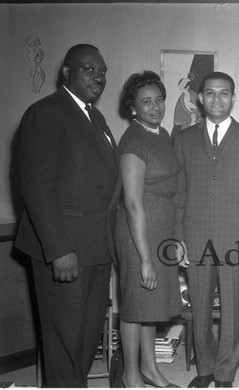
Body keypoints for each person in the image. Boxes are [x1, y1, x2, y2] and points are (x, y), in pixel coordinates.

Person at [14, 43, 121, 387]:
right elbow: (38, 188)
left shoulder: (96, 116)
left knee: (87, 338)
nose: (98, 76)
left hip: (97, 248)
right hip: (64, 249)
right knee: (62, 341)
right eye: (89, 69)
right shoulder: (45, 113)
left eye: (102, 71)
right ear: (66, 72)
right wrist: (59, 249)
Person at [174, 71, 239, 388]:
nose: (216, 99)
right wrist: (179, 239)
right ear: (199, 98)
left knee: (233, 310)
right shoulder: (183, 139)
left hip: (235, 238)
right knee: (199, 307)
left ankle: (225, 373)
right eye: (209, 93)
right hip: (195, 237)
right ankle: (206, 369)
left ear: (234, 98)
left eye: (224, 93)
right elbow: (179, 194)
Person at [115, 71, 182, 388]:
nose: (155, 107)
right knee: (134, 305)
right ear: (133, 108)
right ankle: (131, 376)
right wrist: (144, 258)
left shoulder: (161, 132)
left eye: (159, 100)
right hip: (137, 231)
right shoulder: (133, 141)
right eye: (146, 101)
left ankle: (151, 370)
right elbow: (131, 203)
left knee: (149, 304)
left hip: (162, 226)